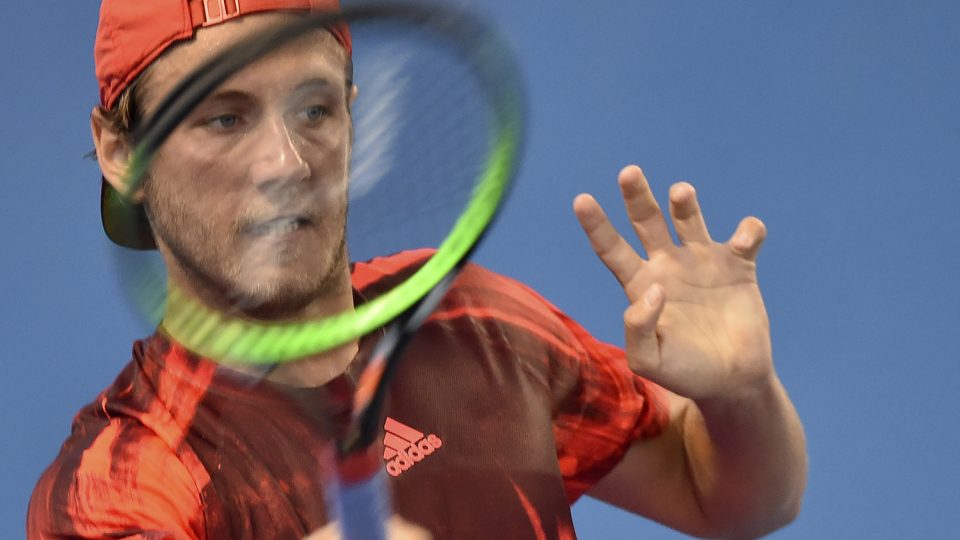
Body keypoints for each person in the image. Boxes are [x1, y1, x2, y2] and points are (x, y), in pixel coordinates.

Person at [28, 1, 807, 538]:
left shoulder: (471, 317)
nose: (285, 162)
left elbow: (725, 499)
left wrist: (741, 399)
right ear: (120, 152)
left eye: (314, 109)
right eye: (223, 118)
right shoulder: (122, 479)